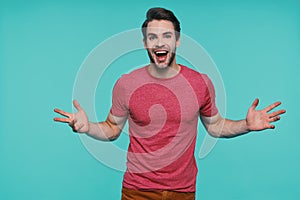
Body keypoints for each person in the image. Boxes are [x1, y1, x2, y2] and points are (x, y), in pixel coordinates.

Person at [54, 7, 286, 200]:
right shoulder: (126, 83)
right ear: (145, 43)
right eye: (152, 37)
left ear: (177, 40)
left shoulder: (200, 82)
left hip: (183, 192)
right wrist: (87, 128)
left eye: (166, 36)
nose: (159, 43)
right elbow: (112, 129)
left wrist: (246, 125)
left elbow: (215, 126)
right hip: (137, 191)